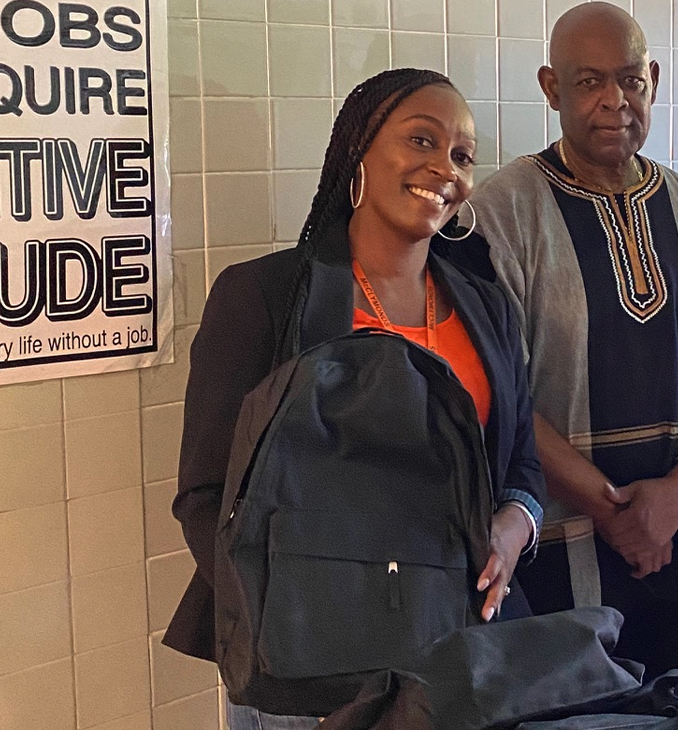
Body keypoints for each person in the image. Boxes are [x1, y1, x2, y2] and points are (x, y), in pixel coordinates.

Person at [164, 69, 545, 729]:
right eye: (421, 140)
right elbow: (206, 495)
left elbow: (522, 469)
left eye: (461, 155)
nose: (444, 168)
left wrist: (511, 533)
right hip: (304, 669)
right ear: (357, 152)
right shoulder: (265, 297)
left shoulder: (488, 310)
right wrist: (286, 624)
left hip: (452, 654)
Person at [461, 2, 678, 680]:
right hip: (548, 549)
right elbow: (492, 389)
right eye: (589, 82)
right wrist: (615, 510)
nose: (614, 101)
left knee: (667, 704)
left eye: (630, 80)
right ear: (551, 89)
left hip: (670, 543)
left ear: (652, 81)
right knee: (566, 710)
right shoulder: (498, 214)